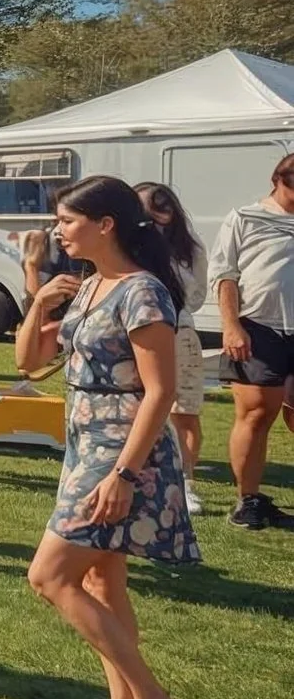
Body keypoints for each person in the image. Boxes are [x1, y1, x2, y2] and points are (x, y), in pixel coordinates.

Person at [17, 175, 201, 699]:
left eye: (67, 221)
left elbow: (160, 390)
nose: (57, 231)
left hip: (120, 451)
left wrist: (123, 474)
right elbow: (31, 363)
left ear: (106, 225)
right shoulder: (90, 285)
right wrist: (39, 301)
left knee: (49, 576)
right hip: (85, 440)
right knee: (101, 580)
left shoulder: (142, 292)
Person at [212, 154, 294, 531]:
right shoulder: (245, 218)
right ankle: (248, 500)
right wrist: (231, 326)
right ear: (278, 179)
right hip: (259, 327)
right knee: (258, 414)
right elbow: (225, 275)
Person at [136, 183, 211, 513]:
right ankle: (138, 476)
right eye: (144, 208)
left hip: (179, 333)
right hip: (136, 333)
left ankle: (185, 482)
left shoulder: (189, 250)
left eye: (161, 206)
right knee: (137, 407)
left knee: (184, 412)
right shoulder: (127, 246)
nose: (154, 215)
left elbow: (196, 297)